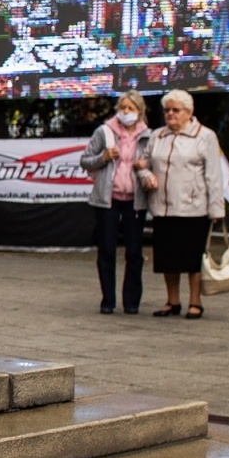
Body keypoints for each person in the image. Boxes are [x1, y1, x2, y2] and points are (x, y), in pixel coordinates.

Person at [139, 89, 226, 320]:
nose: (170, 114)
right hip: (163, 207)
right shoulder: (157, 136)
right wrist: (146, 176)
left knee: (192, 258)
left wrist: (216, 209)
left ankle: (195, 301)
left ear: (188, 112)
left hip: (193, 208)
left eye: (175, 110)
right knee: (168, 258)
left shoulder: (205, 136)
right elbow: (142, 164)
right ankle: (172, 300)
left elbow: (214, 175)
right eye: (167, 110)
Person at [79, 91, 149, 314]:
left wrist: (145, 166)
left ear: (139, 112)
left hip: (135, 201)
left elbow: (154, 162)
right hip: (108, 200)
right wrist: (103, 158)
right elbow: (85, 160)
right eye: (122, 108)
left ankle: (132, 302)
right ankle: (108, 300)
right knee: (107, 250)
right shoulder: (104, 131)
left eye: (130, 108)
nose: (125, 112)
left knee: (134, 252)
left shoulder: (148, 136)